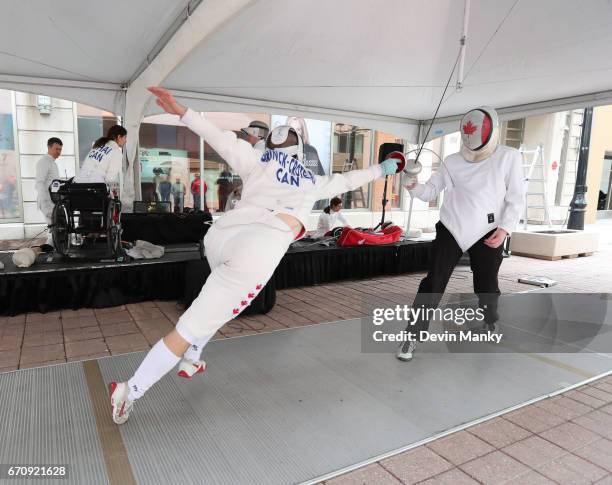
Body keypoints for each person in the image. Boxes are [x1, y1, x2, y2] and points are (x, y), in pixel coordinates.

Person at [108, 86, 401, 424]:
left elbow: (218, 138)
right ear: (299, 150)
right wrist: (383, 169)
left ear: (270, 147)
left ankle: (193, 357)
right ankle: (130, 390)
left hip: (220, 237)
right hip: (257, 249)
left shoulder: (257, 161)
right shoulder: (311, 181)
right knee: (193, 324)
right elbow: (350, 179)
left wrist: (181, 110)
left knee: (216, 302)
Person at [396, 106, 525, 362]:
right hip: (452, 227)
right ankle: (412, 335)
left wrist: (505, 229)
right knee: (433, 282)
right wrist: (412, 184)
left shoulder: (509, 157)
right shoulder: (452, 161)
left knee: (486, 284)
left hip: (490, 230)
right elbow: (430, 191)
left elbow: (516, 197)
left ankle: (490, 320)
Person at [74, 125, 127, 190]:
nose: (125, 141)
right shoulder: (116, 152)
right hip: (94, 188)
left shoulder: (98, 145)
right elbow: (110, 179)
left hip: (77, 184)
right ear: (119, 137)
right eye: (125, 137)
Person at [35, 137, 62, 246]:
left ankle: (51, 249)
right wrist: (45, 201)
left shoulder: (52, 163)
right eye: (56, 149)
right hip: (47, 200)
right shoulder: (44, 162)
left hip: (53, 201)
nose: (59, 152)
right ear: (49, 147)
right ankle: (48, 250)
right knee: (54, 227)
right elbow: (39, 182)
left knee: (55, 227)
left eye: (60, 149)